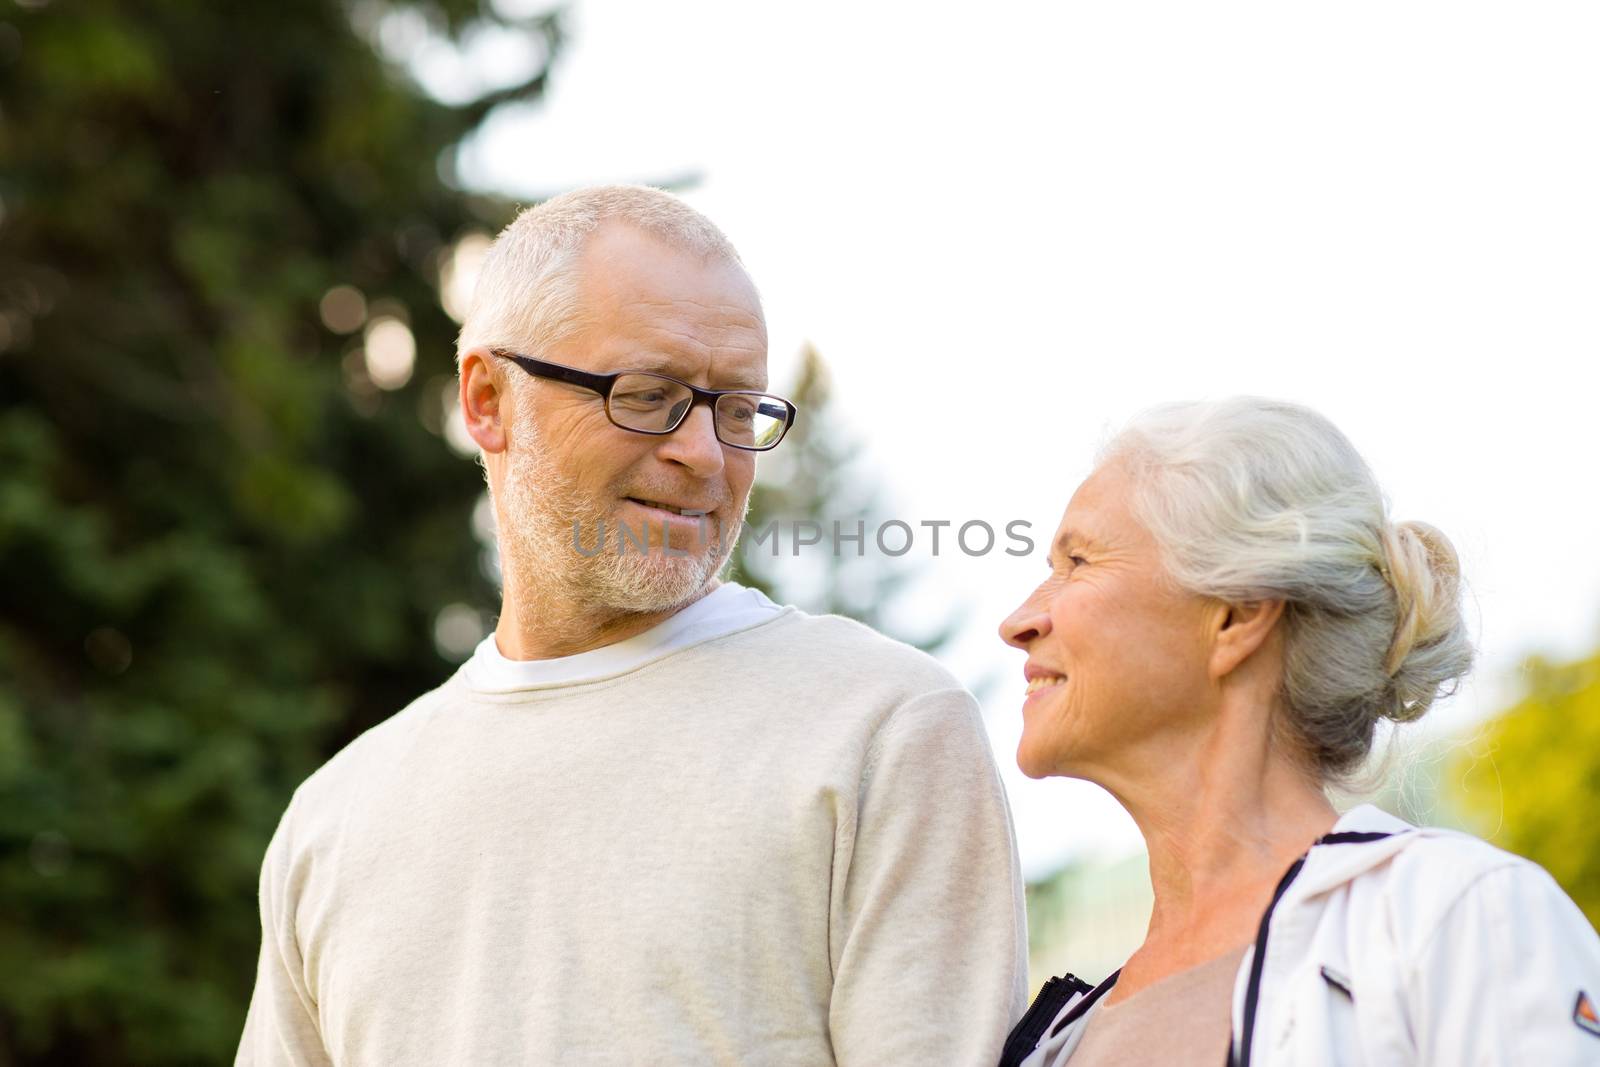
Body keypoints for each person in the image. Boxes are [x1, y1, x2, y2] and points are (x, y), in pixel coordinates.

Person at [237, 186, 1027, 1066]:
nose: (705, 455)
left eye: (737, 409)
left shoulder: (884, 729)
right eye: (648, 395)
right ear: (488, 399)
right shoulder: (334, 821)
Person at [994, 397, 1600, 1067]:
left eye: (1077, 561)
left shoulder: (1457, 920)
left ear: (1239, 613)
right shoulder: (1055, 1042)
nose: (1019, 620)